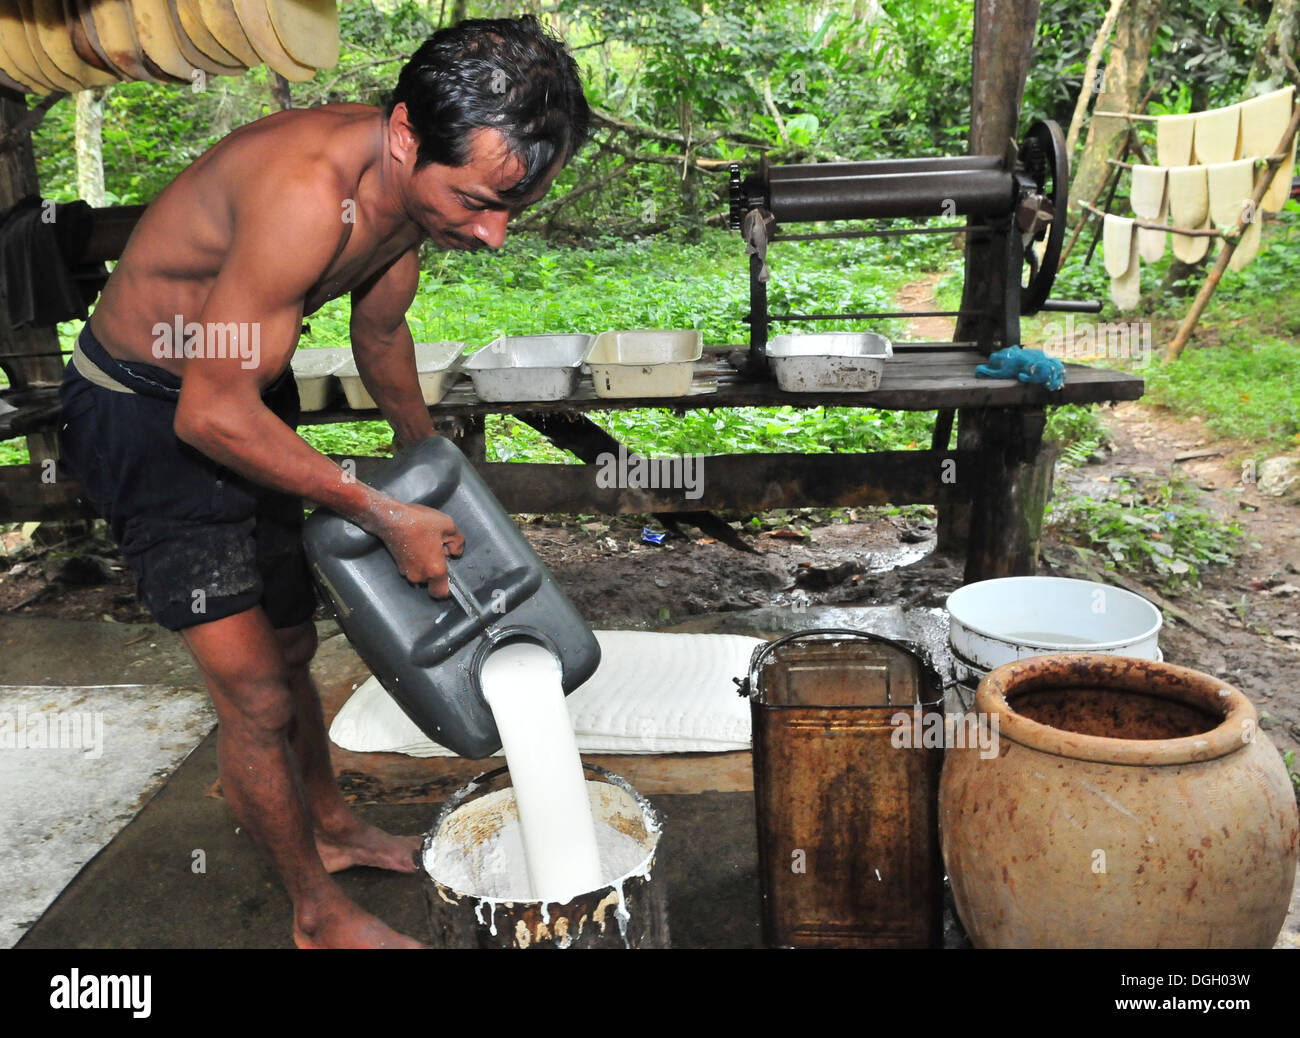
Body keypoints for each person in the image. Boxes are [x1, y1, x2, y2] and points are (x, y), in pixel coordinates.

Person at [56, 15, 590, 949]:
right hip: (149, 414)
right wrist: (381, 513)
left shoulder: (412, 197)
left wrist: (438, 482)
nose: (495, 234)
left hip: (237, 398)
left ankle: (332, 827)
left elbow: (380, 340)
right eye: (475, 200)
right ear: (402, 137)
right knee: (256, 696)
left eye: (514, 207)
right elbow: (206, 417)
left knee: (295, 647)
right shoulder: (306, 196)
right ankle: (317, 915)